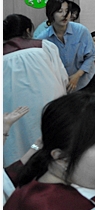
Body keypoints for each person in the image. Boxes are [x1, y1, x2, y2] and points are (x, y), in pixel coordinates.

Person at [3, 14, 68, 167]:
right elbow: (63, 78)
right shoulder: (44, 46)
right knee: (50, 144)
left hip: (13, 109)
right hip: (48, 102)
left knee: (18, 145)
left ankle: (19, 176)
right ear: (27, 30)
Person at [36, 0, 95, 92]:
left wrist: (77, 75)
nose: (65, 15)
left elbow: (91, 55)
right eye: (60, 11)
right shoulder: (43, 39)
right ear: (51, 13)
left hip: (85, 80)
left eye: (67, 11)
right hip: (60, 84)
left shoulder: (81, 30)